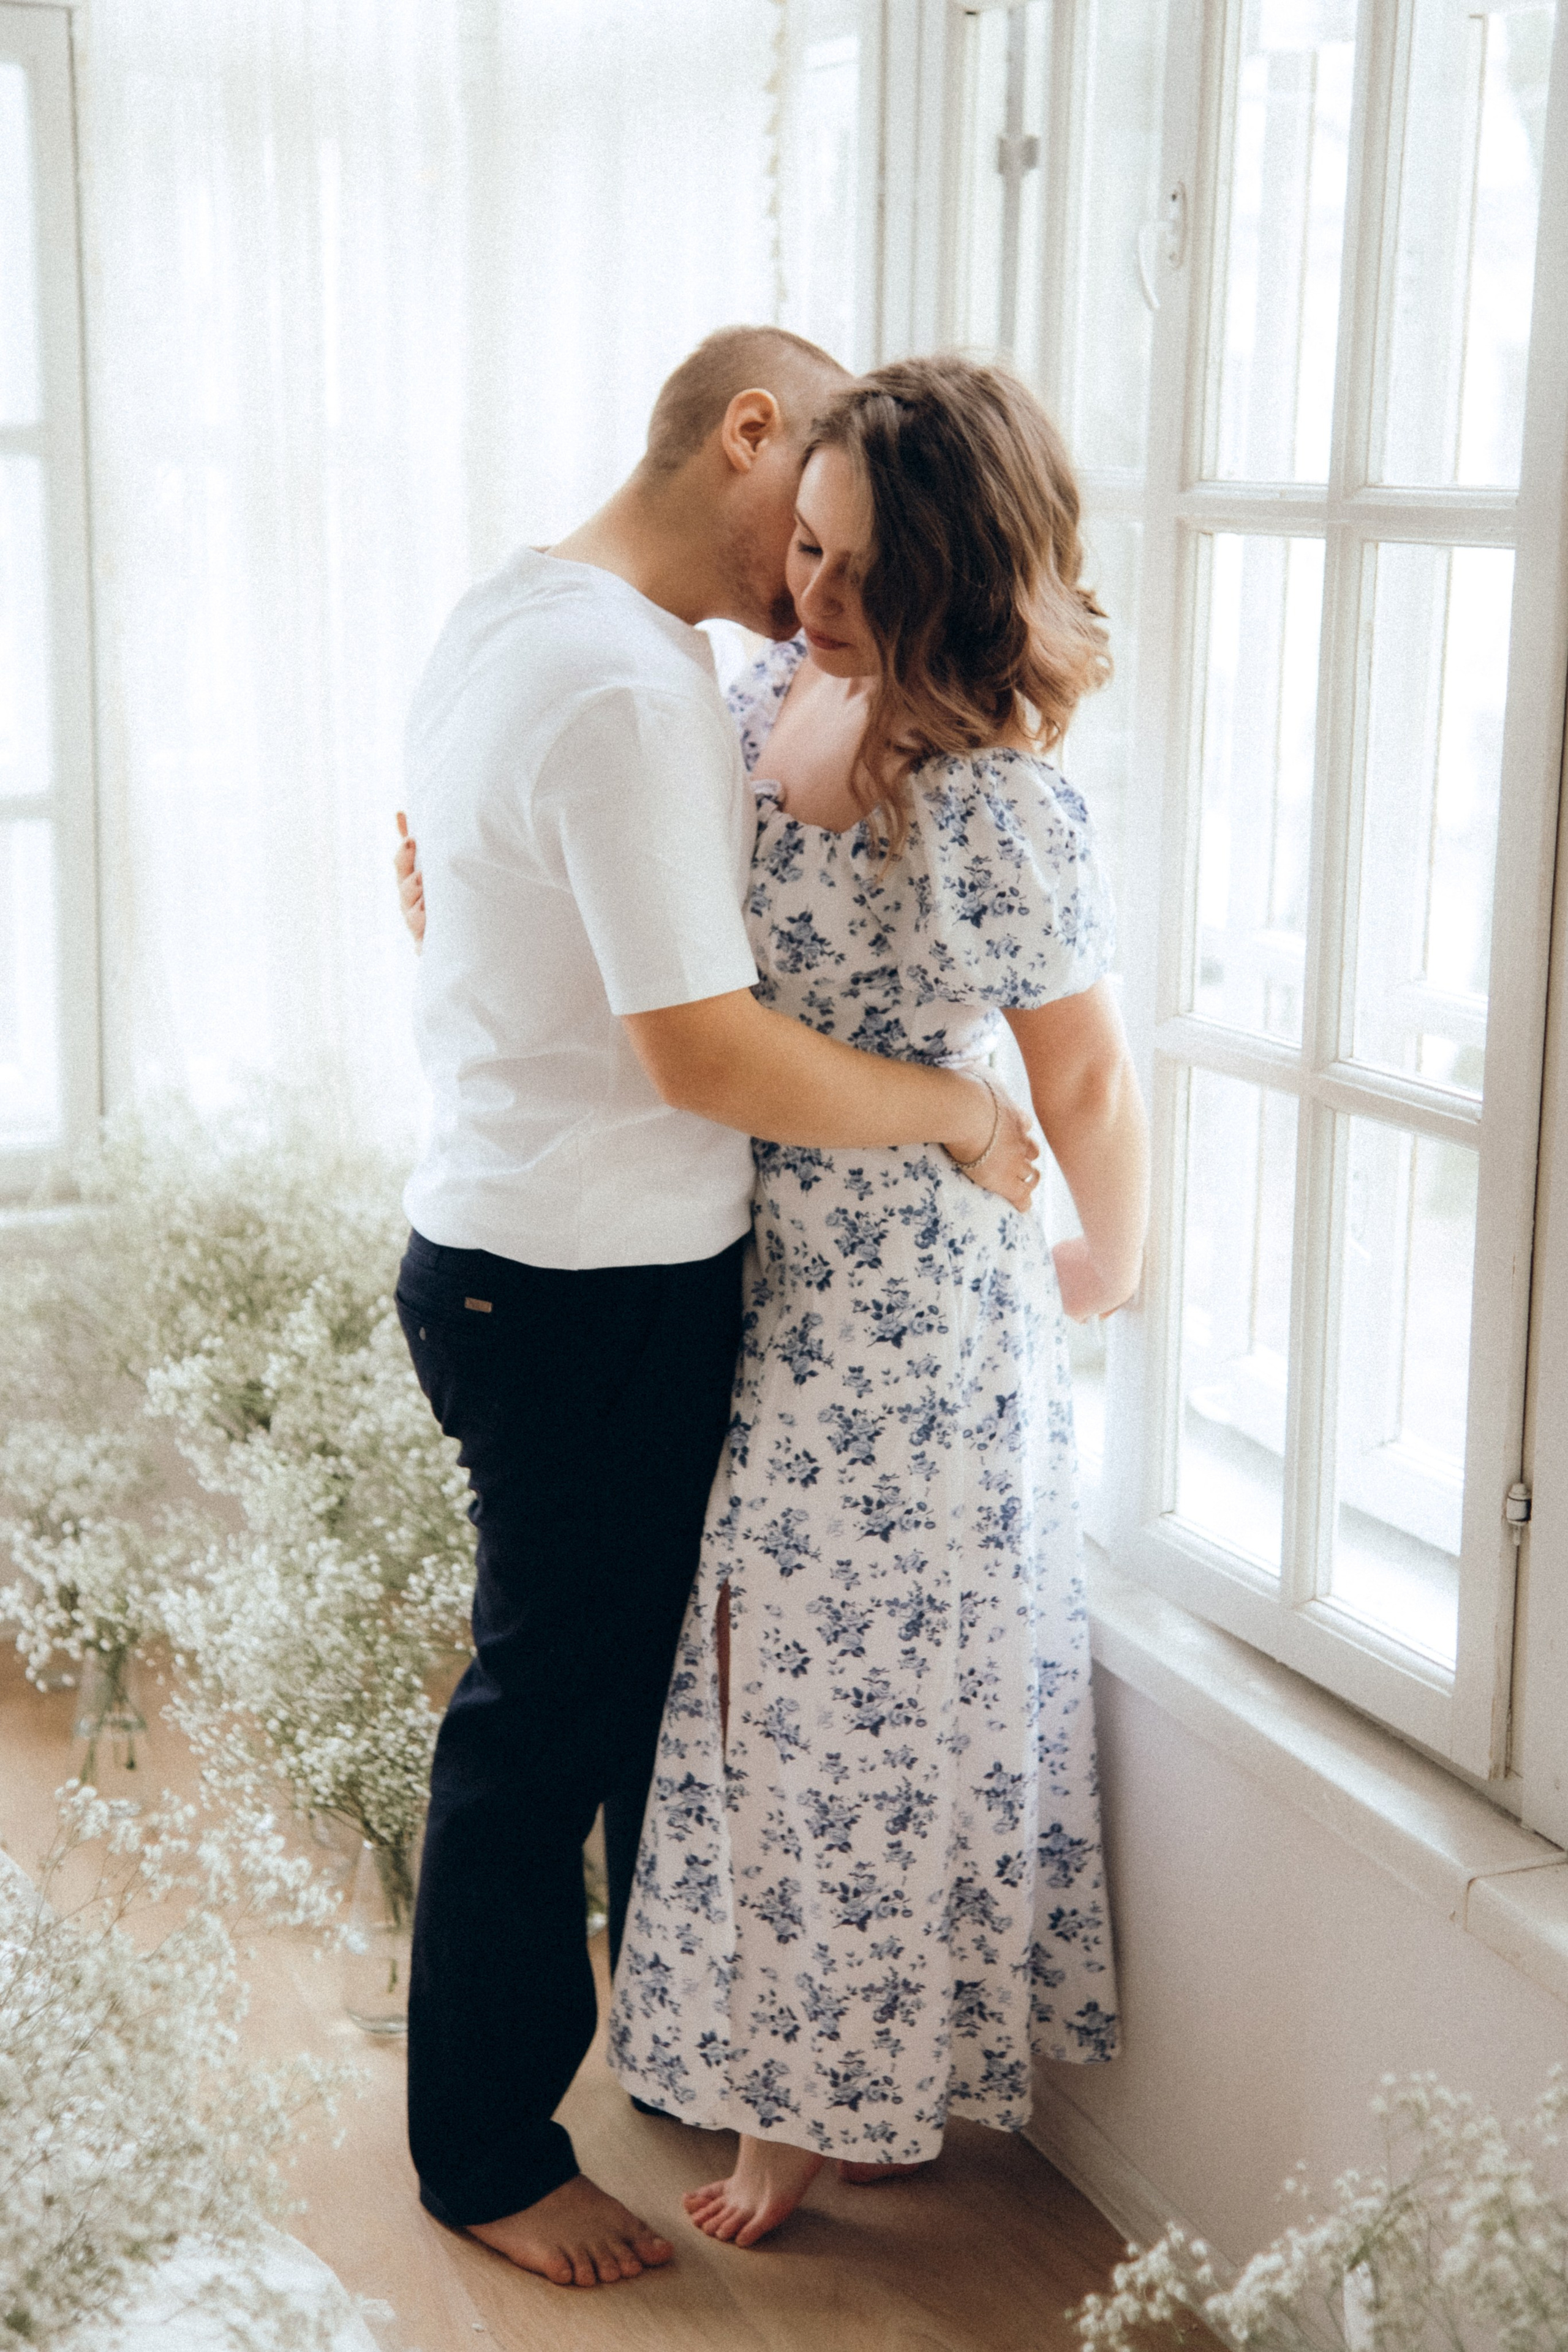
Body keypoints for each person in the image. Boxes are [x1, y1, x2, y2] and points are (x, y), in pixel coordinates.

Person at [391, 326, 1039, 2295]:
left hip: (513, 1246)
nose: (824, 574)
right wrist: (959, 1113)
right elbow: (704, 1049)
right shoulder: (629, 686)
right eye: (814, 521)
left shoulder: (518, 612)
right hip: (584, 1282)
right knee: (549, 1727)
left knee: (617, 1705)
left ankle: (665, 2055)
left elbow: (471, 885)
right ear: (749, 433)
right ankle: (484, 2154)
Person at [603, 355, 1149, 2247]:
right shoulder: (767, 688)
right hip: (757, 1262)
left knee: (842, 1706)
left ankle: (811, 2113)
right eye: (809, 549)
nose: (811, 591)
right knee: (760, 1681)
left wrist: (1114, 1262)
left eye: (857, 571)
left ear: (957, 580)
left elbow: (1086, 1077)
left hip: (914, 1309)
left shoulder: (995, 803)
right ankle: (816, 2061)